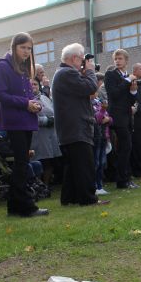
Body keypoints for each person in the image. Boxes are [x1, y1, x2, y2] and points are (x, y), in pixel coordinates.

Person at [0, 33, 48, 217]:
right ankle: (25, 206)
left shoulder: (24, 67)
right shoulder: (3, 66)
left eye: (29, 48)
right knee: (21, 164)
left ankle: (15, 206)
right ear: (14, 47)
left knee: (22, 164)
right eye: (23, 47)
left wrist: (35, 103)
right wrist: (26, 103)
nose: (26, 51)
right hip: (14, 121)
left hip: (26, 120)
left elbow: (27, 94)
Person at [52, 43, 104, 205]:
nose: (83, 62)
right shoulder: (67, 73)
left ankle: (69, 198)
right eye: (82, 59)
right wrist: (89, 71)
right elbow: (89, 87)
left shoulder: (63, 73)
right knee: (84, 165)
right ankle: (88, 199)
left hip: (70, 128)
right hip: (76, 127)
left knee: (73, 166)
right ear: (74, 58)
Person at [104, 49, 138, 189]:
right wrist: (128, 81)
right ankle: (122, 180)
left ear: (126, 60)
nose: (117, 61)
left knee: (127, 148)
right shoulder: (110, 74)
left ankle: (126, 178)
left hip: (126, 115)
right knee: (124, 147)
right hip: (116, 116)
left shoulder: (127, 76)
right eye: (115, 59)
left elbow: (129, 100)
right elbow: (114, 94)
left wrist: (133, 91)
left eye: (120, 58)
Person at [30, 79, 61, 185]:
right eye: (31, 84)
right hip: (37, 135)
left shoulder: (44, 98)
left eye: (35, 84)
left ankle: (46, 185)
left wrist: (54, 119)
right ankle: (38, 184)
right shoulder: (28, 100)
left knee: (49, 161)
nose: (33, 86)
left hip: (51, 135)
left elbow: (54, 110)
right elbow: (30, 119)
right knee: (38, 161)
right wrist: (47, 120)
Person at [93, 74, 112, 196]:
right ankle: (95, 185)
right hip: (95, 136)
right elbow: (97, 119)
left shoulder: (98, 102)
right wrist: (103, 112)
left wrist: (107, 119)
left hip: (104, 135)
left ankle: (100, 185)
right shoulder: (89, 104)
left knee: (102, 163)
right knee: (96, 163)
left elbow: (110, 119)